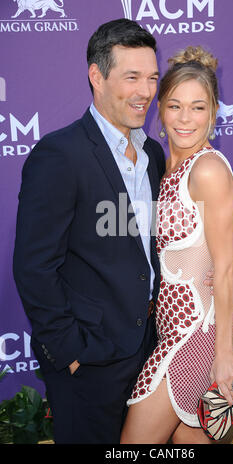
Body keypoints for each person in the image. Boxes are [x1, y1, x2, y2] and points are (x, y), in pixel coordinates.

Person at [12, 19, 165, 444]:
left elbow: (144, 251)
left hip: (148, 351)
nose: (146, 91)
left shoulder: (153, 153)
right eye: (131, 77)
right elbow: (34, 266)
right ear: (96, 77)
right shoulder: (60, 154)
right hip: (89, 359)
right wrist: (71, 352)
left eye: (152, 77)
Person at [121, 45, 233, 445]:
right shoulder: (164, 166)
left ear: (213, 111)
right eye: (175, 106)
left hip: (194, 337)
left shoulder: (207, 169)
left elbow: (224, 268)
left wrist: (224, 355)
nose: (185, 119)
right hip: (169, 331)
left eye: (198, 107)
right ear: (160, 108)